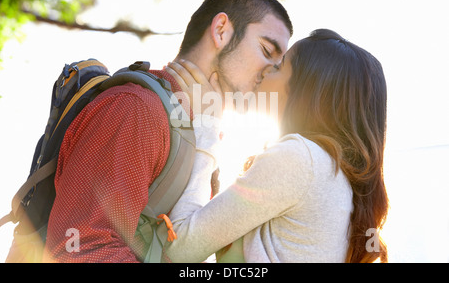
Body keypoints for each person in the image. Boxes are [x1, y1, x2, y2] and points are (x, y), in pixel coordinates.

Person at [42, 0, 293, 262]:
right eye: (267, 50)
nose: (271, 71)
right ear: (222, 30)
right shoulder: (137, 110)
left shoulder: (196, 132)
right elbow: (80, 249)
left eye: (279, 63)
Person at [163, 29, 389, 263]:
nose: (264, 71)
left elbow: (179, 250)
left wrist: (206, 123)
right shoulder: (332, 173)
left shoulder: (301, 158)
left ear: (307, 91)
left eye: (279, 66)